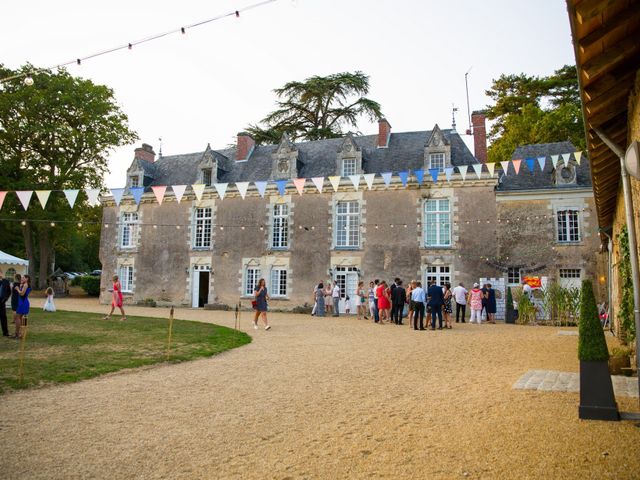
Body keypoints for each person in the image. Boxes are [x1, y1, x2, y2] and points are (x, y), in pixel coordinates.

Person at [14, 274, 31, 339]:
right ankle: (21, 334)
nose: (22, 278)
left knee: (17, 317)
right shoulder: (25, 284)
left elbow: (22, 293)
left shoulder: (26, 285)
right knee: (20, 318)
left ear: (27, 279)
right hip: (23, 302)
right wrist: (20, 286)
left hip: (23, 303)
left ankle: (17, 334)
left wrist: (18, 289)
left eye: (23, 277)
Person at [0, 270, 10, 337]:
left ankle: (5, 333)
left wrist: (5, 299)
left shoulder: (6, 281)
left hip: (2, 301)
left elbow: (9, 291)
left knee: (3, 317)